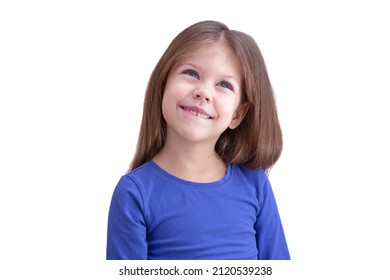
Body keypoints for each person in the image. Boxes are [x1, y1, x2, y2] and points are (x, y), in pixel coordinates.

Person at [106, 20, 290, 260]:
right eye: (191, 73)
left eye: (224, 84)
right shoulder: (134, 193)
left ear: (237, 114)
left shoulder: (255, 185)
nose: (203, 92)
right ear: (163, 85)